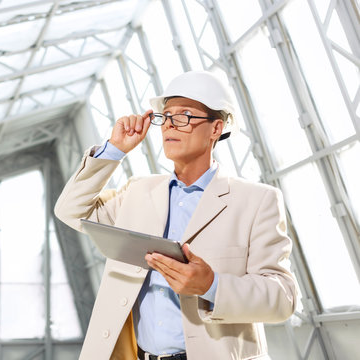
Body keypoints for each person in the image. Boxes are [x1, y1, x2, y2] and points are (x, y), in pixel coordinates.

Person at [54, 70, 297, 360]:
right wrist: (114, 150)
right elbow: (71, 211)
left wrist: (212, 285)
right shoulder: (137, 192)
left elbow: (283, 297)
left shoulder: (257, 201)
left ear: (215, 129)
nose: (170, 125)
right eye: (166, 116)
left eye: (184, 116)